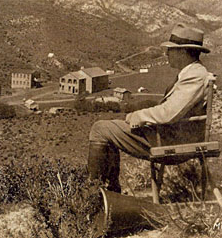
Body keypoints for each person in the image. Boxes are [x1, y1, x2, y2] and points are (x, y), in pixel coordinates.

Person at [88, 23, 213, 193]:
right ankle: (110, 191)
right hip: (170, 135)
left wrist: (137, 116)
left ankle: (94, 192)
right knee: (108, 129)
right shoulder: (191, 73)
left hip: (170, 141)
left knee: (99, 129)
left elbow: (168, 113)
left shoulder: (195, 76)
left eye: (171, 50)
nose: (167, 53)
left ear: (183, 52)